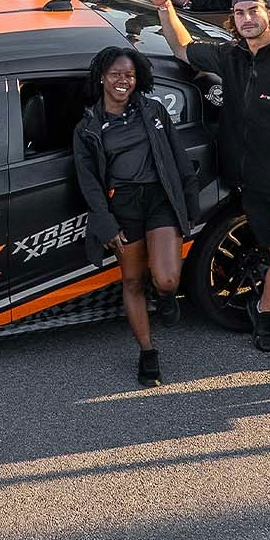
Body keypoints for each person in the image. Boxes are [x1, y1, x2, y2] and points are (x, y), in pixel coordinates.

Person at [149, 0, 270, 366]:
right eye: (240, 13)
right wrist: (166, 9)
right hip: (250, 185)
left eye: (254, 11)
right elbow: (183, 49)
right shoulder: (232, 55)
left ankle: (263, 312)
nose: (247, 19)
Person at [73, 43, 195, 386]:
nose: (123, 81)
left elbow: (179, 159)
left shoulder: (153, 111)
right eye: (115, 75)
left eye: (129, 74)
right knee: (132, 281)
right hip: (121, 205)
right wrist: (105, 222)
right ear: (101, 78)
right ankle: (147, 353)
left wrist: (188, 205)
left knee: (167, 278)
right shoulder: (87, 127)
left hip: (159, 198)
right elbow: (89, 184)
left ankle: (167, 295)